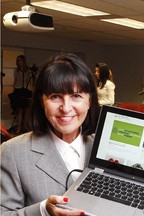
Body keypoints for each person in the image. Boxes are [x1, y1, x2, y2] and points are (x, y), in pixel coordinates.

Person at [1, 53, 100, 215]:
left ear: (89, 101)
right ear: (42, 101)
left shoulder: (103, 150)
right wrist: (43, 211)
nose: (66, 108)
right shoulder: (13, 152)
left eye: (76, 96)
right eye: (55, 97)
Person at [8, 55, 32, 134]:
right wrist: (13, 90)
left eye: (20, 60)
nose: (18, 62)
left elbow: (31, 81)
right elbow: (15, 81)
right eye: (17, 60)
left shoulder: (28, 70)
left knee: (27, 110)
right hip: (18, 90)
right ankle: (18, 128)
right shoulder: (16, 70)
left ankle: (27, 127)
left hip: (26, 90)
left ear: (23, 61)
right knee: (19, 110)